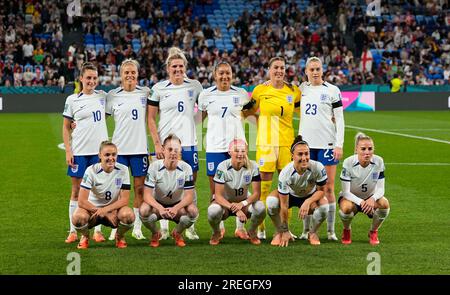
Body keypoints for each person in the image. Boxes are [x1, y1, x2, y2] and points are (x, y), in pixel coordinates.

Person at [147, 47, 203, 240]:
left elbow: (203, 111)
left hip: (188, 144)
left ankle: (189, 226)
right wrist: (156, 144)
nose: (178, 70)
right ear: (168, 68)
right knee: (161, 185)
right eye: (174, 67)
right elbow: (151, 118)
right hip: (166, 145)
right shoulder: (158, 89)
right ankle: (163, 225)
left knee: (190, 184)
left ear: (185, 67)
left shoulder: (195, 86)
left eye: (181, 66)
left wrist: (192, 124)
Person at [244, 56, 301, 240]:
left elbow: (305, 113)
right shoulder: (260, 90)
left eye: (282, 67)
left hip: (286, 144)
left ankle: (285, 228)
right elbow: (246, 111)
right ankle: (261, 228)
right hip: (266, 145)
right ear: (269, 70)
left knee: (288, 189)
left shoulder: (294, 91)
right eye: (275, 67)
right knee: (263, 189)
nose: (279, 70)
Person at [198, 61, 251, 239]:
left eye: (228, 73)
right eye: (221, 73)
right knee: (215, 191)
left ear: (232, 74)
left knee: (240, 188)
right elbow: (198, 119)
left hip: (238, 148)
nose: (224, 76)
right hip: (214, 147)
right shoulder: (205, 95)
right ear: (214, 75)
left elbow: (251, 116)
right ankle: (219, 227)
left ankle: (240, 227)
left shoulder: (242, 94)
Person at [298, 56, 345, 241]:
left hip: (327, 144)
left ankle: (330, 231)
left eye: (318, 69)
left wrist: (338, 144)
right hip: (307, 146)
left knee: (328, 188)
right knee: (307, 189)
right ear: (306, 72)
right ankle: (306, 230)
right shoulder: (301, 90)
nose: (315, 72)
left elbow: (340, 119)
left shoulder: (333, 90)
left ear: (322, 70)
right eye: (312, 69)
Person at [62, 62, 108, 244]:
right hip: (79, 152)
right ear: (81, 79)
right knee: (76, 191)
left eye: (94, 78)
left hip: (99, 154)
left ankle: (98, 230)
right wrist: (68, 149)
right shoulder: (72, 100)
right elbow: (66, 128)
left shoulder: (104, 97)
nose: (91, 81)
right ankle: (73, 230)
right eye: (88, 77)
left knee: (98, 192)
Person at [106, 59, 150, 241]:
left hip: (140, 150)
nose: (130, 75)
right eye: (126, 73)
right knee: (118, 191)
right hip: (120, 151)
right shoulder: (113, 95)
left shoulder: (146, 93)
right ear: (121, 75)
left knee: (140, 190)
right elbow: (100, 119)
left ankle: (136, 228)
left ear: (137, 74)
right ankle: (115, 226)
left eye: (133, 72)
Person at [266, 136, 329, 247]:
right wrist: (285, 230)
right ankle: (280, 232)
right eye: (300, 154)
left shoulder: (318, 167)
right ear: (292, 156)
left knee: (324, 207)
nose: (304, 158)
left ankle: (313, 233)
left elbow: (322, 191)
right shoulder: (285, 173)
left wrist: (308, 201)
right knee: (271, 202)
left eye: (306, 153)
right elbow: (284, 205)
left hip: (310, 195)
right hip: (290, 196)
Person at [71, 141, 135, 249]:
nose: (111, 158)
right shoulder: (91, 171)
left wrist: (107, 210)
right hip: (92, 211)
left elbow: (124, 200)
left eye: (114, 154)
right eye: (107, 155)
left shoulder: (123, 170)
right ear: (100, 156)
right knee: (77, 218)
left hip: (113, 210)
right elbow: (82, 201)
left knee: (129, 216)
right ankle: (85, 236)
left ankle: (119, 236)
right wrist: (103, 213)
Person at [139, 134, 199, 247]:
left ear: (180, 151)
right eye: (170, 149)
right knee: (143, 210)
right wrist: (160, 208)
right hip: (158, 205)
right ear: (163, 150)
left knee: (193, 211)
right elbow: (147, 195)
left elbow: (189, 196)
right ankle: (155, 233)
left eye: (176, 150)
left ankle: (177, 233)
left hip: (178, 205)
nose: (173, 153)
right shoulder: (154, 167)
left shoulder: (187, 168)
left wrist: (176, 208)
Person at [207, 139, 265, 245]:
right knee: (213, 211)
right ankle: (216, 232)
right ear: (229, 152)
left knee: (260, 207)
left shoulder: (253, 166)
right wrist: (235, 208)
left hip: (243, 203)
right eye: (236, 150)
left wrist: (242, 204)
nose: (240, 154)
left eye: (243, 151)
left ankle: (252, 231)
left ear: (246, 152)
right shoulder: (222, 167)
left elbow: (257, 194)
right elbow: (218, 196)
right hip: (225, 204)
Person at [338, 132, 390, 245]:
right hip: (351, 199)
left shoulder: (379, 161)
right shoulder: (348, 162)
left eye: (370, 149)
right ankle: (347, 230)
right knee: (346, 208)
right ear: (356, 149)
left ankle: (373, 231)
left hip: (370, 199)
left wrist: (372, 199)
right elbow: (346, 192)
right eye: (363, 149)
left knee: (384, 205)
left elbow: (381, 189)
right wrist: (361, 202)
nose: (367, 152)